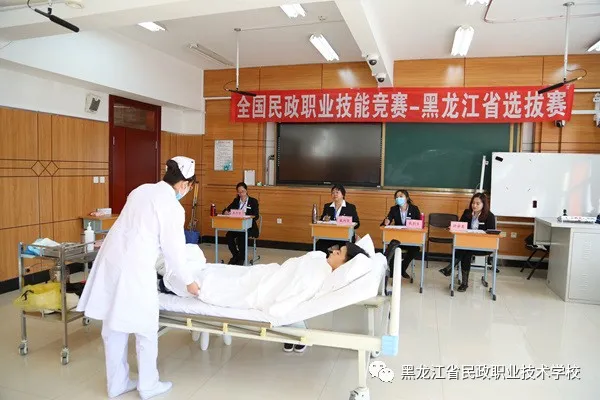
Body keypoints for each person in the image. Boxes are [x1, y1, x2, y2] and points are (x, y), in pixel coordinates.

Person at [76, 156, 200, 400]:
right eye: (190, 186)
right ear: (184, 184)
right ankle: (148, 385)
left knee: (113, 325)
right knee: (146, 327)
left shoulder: (141, 190)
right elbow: (174, 252)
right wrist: (189, 282)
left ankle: (117, 384)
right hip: (135, 267)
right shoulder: (173, 207)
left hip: (111, 260)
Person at [159, 242, 369, 353]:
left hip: (261, 289)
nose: (334, 251)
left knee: (215, 284)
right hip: (266, 274)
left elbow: (290, 295)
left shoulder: (317, 276)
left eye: (339, 253)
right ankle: (171, 275)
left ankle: (166, 283)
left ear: (344, 264)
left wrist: (276, 312)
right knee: (224, 273)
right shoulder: (320, 260)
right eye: (338, 249)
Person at [439, 193, 496, 292]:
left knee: (465, 250)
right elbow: (460, 226)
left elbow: (492, 233)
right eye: (473, 203)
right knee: (466, 250)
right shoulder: (467, 213)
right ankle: (463, 283)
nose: (474, 205)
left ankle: (451, 269)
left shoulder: (489, 216)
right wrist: (453, 227)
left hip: (483, 246)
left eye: (478, 203)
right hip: (467, 245)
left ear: (484, 204)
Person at [380, 189, 421, 280]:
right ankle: (393, 271)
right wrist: (386, 222)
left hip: (410, 239)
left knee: (415, 249)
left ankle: (402, 268)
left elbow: (419, 224)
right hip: (397, 239)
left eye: (401, 196)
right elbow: (385, 222)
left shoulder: (414, 209)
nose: (398, 198)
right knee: (391, 248)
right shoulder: (394, 209)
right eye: (397, 197)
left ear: (407, 198)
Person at [223, 182, 260, 265]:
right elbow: (226, 210)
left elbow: (256, 216)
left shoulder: (253, 201)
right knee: (229, 235)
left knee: (242, 235)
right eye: (239, 192)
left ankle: (242, 258)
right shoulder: (236, 201)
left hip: (249, 227)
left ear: (246, 190)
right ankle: (236, 255)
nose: (241, 194)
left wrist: (246, 216)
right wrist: (226, 212)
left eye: (242, 191)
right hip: (238, 226)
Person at [316, 184, 360, 253]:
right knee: (319, 245)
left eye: (337, 192)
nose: (335, 195)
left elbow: (357, 224)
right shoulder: (327, 206)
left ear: (343, 194)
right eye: (333, 193)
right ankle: (327, 259)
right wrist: (324, 219)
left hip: (345, 236)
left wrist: (347, 222)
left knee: (344, 248)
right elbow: (322, 220)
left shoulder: (350, 207)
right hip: (330, 235)